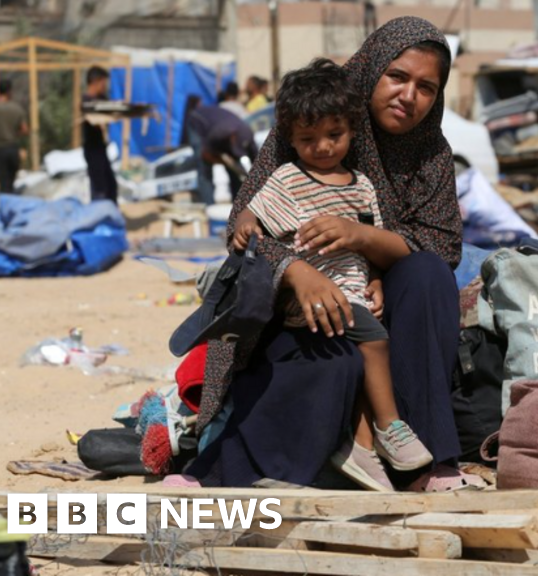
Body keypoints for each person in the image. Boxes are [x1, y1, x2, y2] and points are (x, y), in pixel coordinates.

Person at [185, 17, 482, 492]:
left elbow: (442, 245)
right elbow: (244, 223)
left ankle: (427, 463)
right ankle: (248, 467)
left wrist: (359, 239)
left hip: (373, 295)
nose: (409, 96)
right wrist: (298, 272)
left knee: (428, 274)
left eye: (427, 87)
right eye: (398, 77)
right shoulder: (315, 120)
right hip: (294, 304)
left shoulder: (432, 154)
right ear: (370, 71)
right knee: (334, 361)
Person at [232, 59, 434, 491]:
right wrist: (246, 225)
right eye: (308, 139)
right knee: (375, 341)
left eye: (334, 135)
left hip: (352, 292)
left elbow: (373, 246)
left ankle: (359, 449)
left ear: (352, 129)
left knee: (361, 356)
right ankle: (390, 426)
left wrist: (376, 280)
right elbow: (252, 212)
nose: (323, 147)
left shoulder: (360, 185)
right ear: (290, 139)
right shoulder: (289, 178)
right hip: (313, 301)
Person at [185, 102, 258, 204]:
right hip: (197, 123)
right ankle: (209, 208)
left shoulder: (248, 136)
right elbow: (206, 155)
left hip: (222, 131)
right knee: (204, 169)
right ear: (232, 138)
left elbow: (258, 161)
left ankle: (238, 206)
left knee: (234, 173)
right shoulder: (219, 134)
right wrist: (225, 162)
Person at [82, 66, 118, 204]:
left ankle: (111, 215)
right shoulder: (86, 101)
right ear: (96, 82)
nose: (105, 86)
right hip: (92, 150)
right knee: (99, 189)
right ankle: (100, 219)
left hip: (101, 149)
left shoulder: (102, 99)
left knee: (110, 186)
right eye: (104, 83)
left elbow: (115, 109)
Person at [0, 79, 27, 194]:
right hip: (12, 149)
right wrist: (13, 134)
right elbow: (24, 129)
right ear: (9, 91)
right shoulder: (17, 109)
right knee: (9, 182)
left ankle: (6, 204)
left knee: (2, 183)